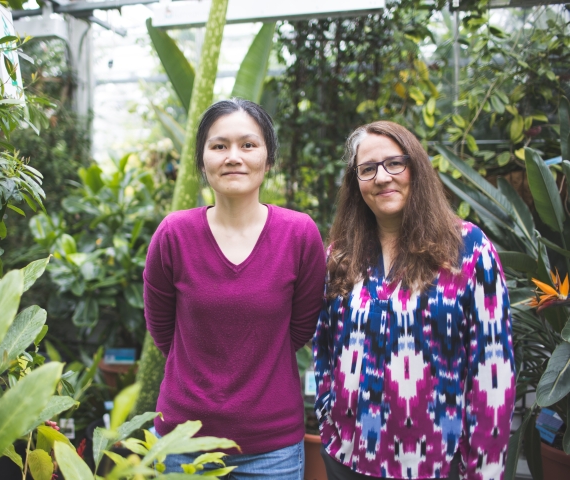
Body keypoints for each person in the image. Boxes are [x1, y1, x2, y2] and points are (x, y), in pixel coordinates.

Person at [313, 121, 515, 480]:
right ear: (355, 182)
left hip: (437, 462)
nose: (382, 177)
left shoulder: (468, 250)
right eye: (368, 168)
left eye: (395, 163)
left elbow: (493, 368)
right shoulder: (340, 255)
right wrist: (328, 413)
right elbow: (324, 346)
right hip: (349, 457)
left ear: (415, 168)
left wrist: (483, 468)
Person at [143, 98, 326, 479]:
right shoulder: (174, 234)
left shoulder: (299, 234)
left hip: (271, 447)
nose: (233, 157)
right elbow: (163, 332)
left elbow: (299, 330)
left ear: (268, 159)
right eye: (219, 146)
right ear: (203, 160)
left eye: (248, 144)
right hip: (183, 442)